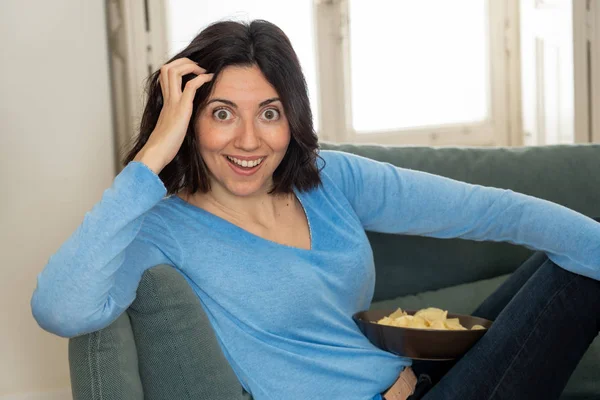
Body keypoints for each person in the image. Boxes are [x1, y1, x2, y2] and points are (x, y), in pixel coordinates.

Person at [31, 19, 600, 400]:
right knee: (580, 284)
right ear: (186, 118)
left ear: (293, 117)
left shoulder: (330, 179)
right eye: (223, 113)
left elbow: (487, 211)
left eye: (271, 113)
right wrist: (152, 157)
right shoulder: (158, 228)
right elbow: (62, 310)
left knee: (566, 259)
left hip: (415, 378)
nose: (249, 141)